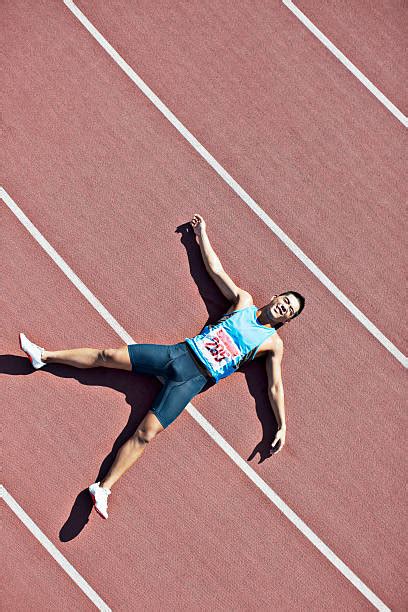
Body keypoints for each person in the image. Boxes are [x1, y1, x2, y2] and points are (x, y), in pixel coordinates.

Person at [19, 214, 305, 519]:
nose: (284, 306)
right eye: (285, 299)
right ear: (275, 297)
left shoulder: (272, 344)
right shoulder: (243, 302)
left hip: (192, 381)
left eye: (288, 310)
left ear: (285, 320)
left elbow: (274, 386)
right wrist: (199, 235)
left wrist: (281, 425)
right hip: (178, 354)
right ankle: (43, 357)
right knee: (108, 355)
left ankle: (102, 488)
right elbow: (214, 270)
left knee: (146, 433)